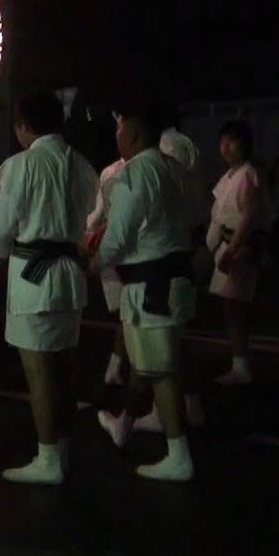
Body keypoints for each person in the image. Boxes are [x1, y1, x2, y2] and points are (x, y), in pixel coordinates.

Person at [0, 93, 99, 484]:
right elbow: (92, 216)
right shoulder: (80, 164)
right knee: (63, 368)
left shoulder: (22, 164)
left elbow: (5, 221)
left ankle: (48, 458)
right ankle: (61, 450)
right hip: (69, 274)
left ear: (24, 126)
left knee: (39, 372)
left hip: (34, 275)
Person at [94, 104, 200, 482]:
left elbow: (118, 236)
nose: (116, 136)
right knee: (149, 362)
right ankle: (126, 422)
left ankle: (178, 453)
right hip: (176, 278)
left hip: (151, 283)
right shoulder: (174, 170)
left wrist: (92, 262)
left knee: (160, 369)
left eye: (120, 129)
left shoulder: (137, 171)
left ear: (134, 134)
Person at [209, 121, 270, 386]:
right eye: (223, 141)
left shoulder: (249, 174)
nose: (226, 146)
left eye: (232, 141)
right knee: (230, 307)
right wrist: (211, 246)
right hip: (227, 244)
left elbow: (248, 216)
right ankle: (239, 360)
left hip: (239, 247)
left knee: (236, 307)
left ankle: (241, 364)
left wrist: (232, 250)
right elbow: (217, 216)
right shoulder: (228, 177)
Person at [85, 154, 131, 386]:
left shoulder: (145, 168)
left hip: (130, 251)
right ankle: (117, 367)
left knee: (129, 315)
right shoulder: (110, 171)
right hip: (115, 251)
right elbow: (99, 210)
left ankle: (117, 367)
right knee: (125, 315)